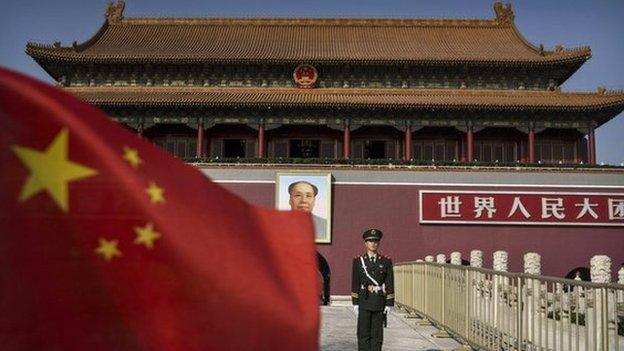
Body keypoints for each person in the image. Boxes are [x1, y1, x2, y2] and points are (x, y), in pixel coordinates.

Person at [351, 229, 394, 351]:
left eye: (375, 241)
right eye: (370, 241)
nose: (373, 243)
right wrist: (355, 302)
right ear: (365, 243)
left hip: (379, 302)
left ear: (379, 243)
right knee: (363, 334)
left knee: (377, 336)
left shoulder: (386, 261)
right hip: (364, 301)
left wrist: (389, 303)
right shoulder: (358, 261)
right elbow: (355, 282)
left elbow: (389, 282)